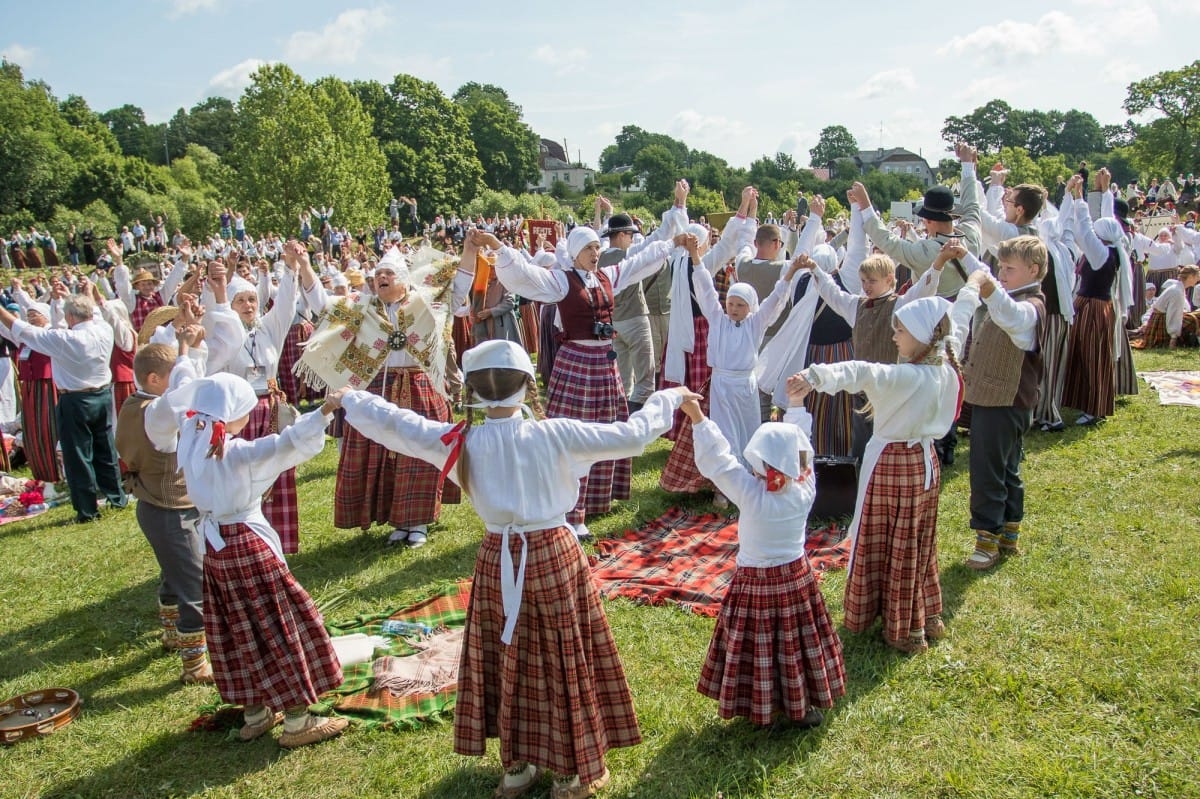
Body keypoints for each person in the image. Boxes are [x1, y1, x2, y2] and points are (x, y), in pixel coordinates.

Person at [338, 339, 697, 799]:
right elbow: (633, 434)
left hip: (497, 555)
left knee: (511, 656)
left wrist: (352, 397)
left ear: (473, 391)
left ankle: (518, 769)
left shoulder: (459, 441)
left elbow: (398, 425)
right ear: (528, 384)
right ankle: (568, 775)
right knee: (558, 656)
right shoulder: (555, 434)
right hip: (552, 555)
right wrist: (669, 397)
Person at [485, 199, 687, 539]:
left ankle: (595, 499)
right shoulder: (561, 282)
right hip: (576, 362)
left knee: (605, 428)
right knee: (571, 433)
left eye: (597, 247)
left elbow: (640, 261)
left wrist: (671, 242)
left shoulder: (607, 276)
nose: (596, 253)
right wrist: (498, 247)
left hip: (604, 365)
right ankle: (570, 510)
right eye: (589, 248)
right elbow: (522, 275)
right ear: (576, 252)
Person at [172, 373, 347, 748]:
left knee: (237, 628)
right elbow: (288, 444)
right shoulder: (238, 454)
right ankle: (298, 723)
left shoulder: (190, 438)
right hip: (247, 546)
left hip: (216, 551)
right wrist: (326, 410)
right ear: (234, 414)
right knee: (278, 628)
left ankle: (255, 713)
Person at [792, 296, 962, 653]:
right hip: (923, 465)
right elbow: (956, 321)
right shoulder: (945, 369)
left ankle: (901, 628)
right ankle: (924, 615)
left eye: (900, 331)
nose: (895, 337)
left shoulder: (905, 377)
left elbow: (861, 371)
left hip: (894, 465)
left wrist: (814, 375)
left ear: (921, 336)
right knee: (914, 541)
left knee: (888, 541)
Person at [683, 375, 845, 729]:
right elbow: (805, 450)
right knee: (794, 645)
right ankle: (800, 703)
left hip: (755, 583)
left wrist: (697, 417)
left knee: (758, 646)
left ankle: (761, 704)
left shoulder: (750, 493)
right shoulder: (806, 487)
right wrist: (797, 406)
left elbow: (720, 462)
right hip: (795, 579)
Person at [115, 332, 214, 684]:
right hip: (170, 509)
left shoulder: (134, 404)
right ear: (154, 380)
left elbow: (184, 388)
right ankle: (194, 664)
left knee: (174, 572)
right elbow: (181, 396)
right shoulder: (156, 412)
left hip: (155, 505)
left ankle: (172, 633)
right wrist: (187, 352)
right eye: (170, 375)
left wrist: (190, 346)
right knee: (195, 584)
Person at [951, 237, 1046, 570]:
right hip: (997, 398)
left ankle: (987, 539)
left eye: (1009, 269)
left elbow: (1008, 313)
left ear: (1033, 271)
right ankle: (1008, 532)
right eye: (1000, 268)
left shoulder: (1031, 307)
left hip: (1006, 401)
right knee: (1005, 467)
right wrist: (965, 256)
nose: (1000, 273)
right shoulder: (1012, 295)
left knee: (988, 469)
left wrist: (987, 285)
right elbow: (991, 284)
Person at [688, 237, 800, 505]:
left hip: (746, 384)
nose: (735, 309)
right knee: (724, 432)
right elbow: (705, 290)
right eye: (732, 304)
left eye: (741, 305)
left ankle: (751, 480)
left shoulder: (756, 323)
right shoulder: (717, 318)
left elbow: (776, 299)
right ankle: (724, 487)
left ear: (750, 306)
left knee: (749, 430)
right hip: (722, 384)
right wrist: (695, 257)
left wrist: (792, 272)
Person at [0, 292, 127, 522]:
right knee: (105, 450)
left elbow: (23, 329)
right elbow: (93, 311)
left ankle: (87, 510)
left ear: (69, 316)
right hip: (101, 394)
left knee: (78, 456)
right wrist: (87, 292)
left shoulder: (64, 339)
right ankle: (116, 496)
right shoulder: (104, 329)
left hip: (75, 399)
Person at [0, 295, 61, 483]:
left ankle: (57, 470)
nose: (31, 318)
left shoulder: (50, 334)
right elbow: (6, 328)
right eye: (29, 315)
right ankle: (41, 470)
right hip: (30, 388)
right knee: (33, 430)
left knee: (49, 427)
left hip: (47, 387)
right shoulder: (25, 338)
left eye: (35, 314)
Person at [1134, 265, 1200, 349]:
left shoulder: (1178, 288)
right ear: (1191, 276)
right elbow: (1173, 316)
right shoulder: (1176, 291)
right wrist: (1173, 338)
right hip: (1161, 322)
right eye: (1197, 276)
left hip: (1164, 319)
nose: (1198, 279)